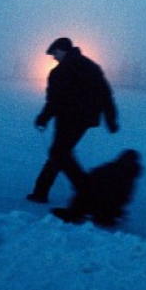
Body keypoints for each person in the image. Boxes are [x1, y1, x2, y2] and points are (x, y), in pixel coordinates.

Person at [26, 37, 119, 204]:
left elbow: (54, 100)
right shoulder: (91, 66)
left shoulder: (60, 71)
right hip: (85, 119)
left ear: (63, 50)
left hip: (68, 118)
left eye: (54, 53)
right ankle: (41, 191)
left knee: (59, 153)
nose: (53, 57)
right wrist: (110, 119)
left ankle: (86, 191)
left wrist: (43, 118)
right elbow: (106, 94)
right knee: (60, 153)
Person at [51, 149, 143, 227]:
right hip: (106, 205)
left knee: (85, 192)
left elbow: (91, 179)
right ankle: (100, 215)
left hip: (102, 204)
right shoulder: (125, 174)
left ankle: (76, 213)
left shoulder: (117, 171)